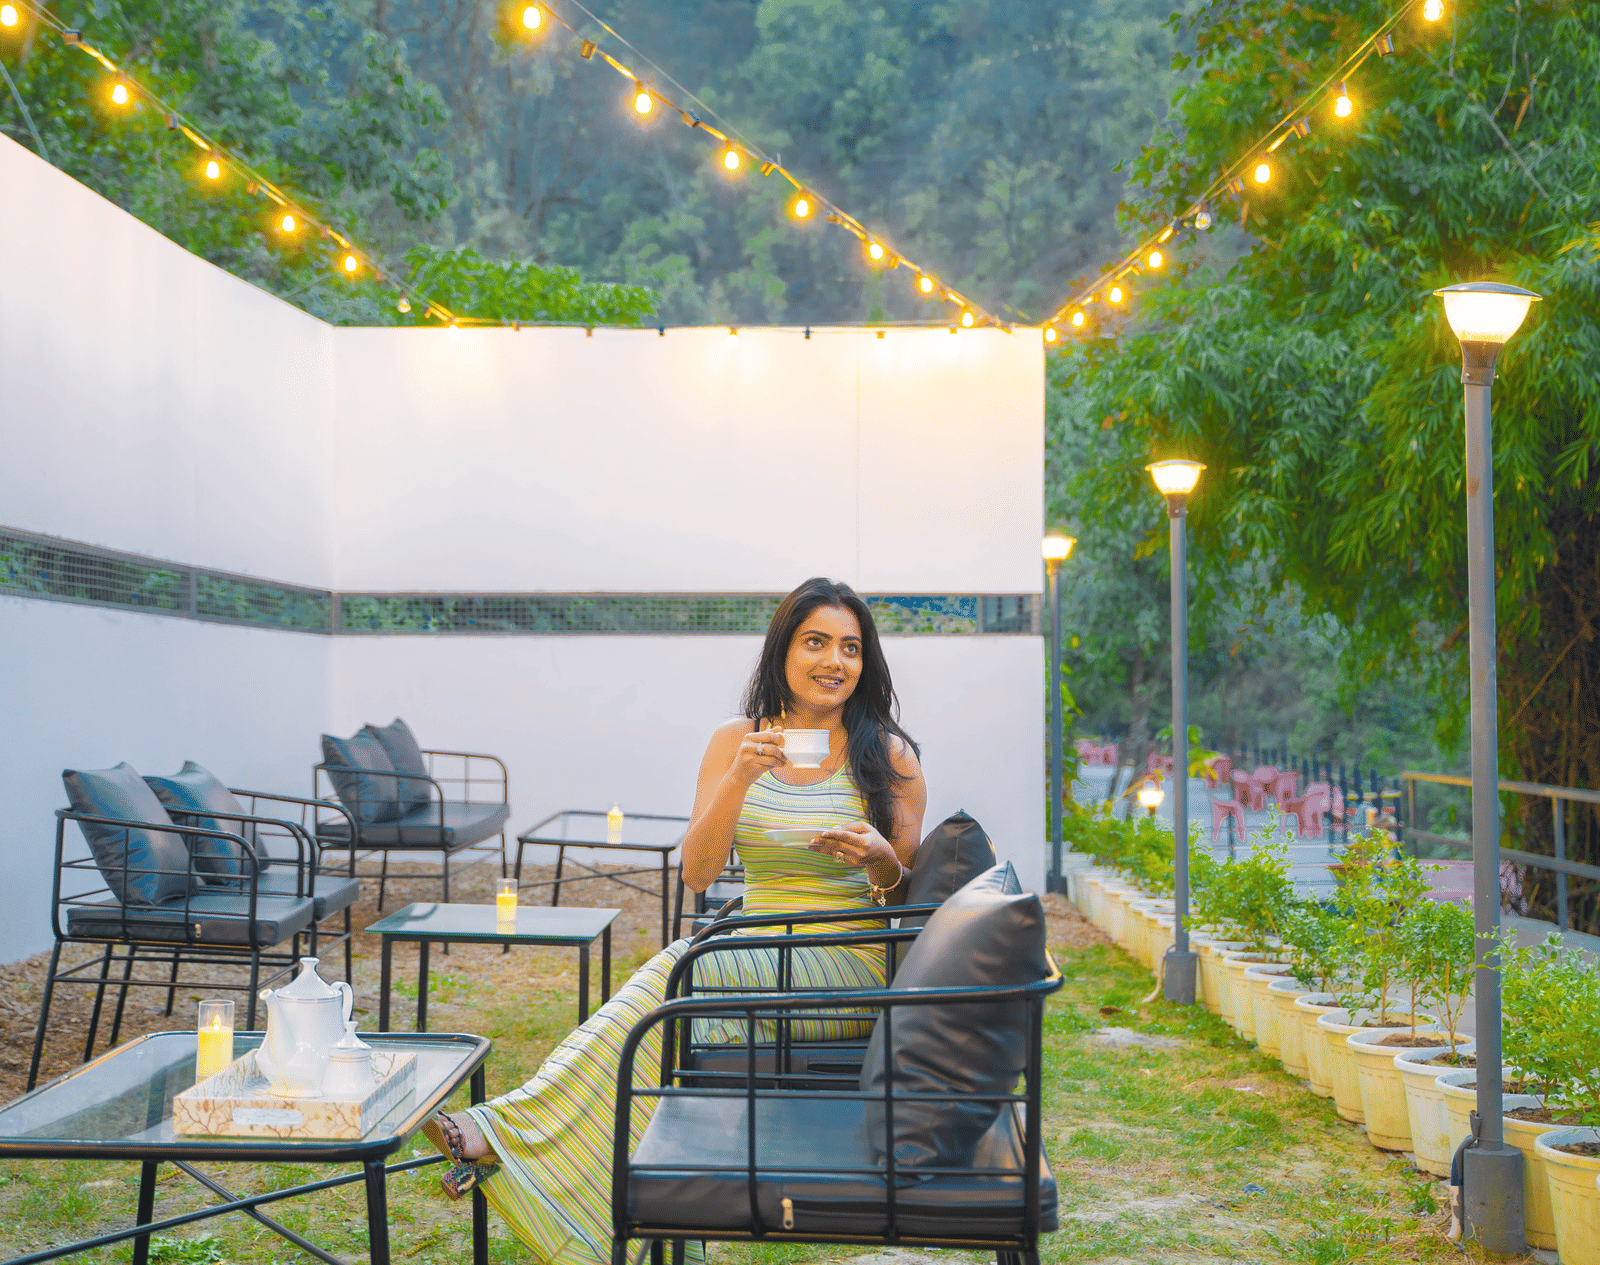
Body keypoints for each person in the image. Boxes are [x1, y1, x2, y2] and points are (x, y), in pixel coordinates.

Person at [423, 576, 926, 1265]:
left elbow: (903, 897)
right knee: (666, 1005)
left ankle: (506, 1134)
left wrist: (878, 858)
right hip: (755, 945)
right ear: (782, 649)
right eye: (817, 641)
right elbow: (696, 872)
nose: (834, 660)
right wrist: (739, 780)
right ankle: (570, 1177)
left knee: (679, 973)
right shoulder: (733, 743)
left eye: (850, 647)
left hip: (844, 962)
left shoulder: (887, 755)